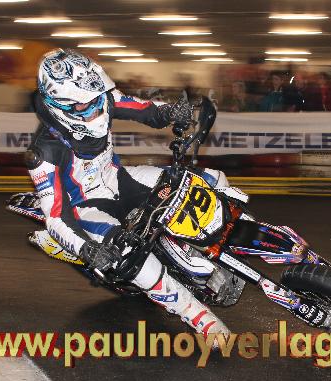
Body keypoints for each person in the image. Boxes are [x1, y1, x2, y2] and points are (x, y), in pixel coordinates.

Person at [26, 49, 230, 338]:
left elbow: (146, 110)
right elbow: (57, 217)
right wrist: (86, 249)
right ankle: (195, 314)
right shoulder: (43, 152)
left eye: (96, 99)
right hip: (87, 207)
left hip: (121, 179)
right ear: (60, 105)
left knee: (211, 178)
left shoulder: (104, 98)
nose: (96, 110)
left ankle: (227, 245)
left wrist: (172, 112)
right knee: (131, 259)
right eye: (85, 105)